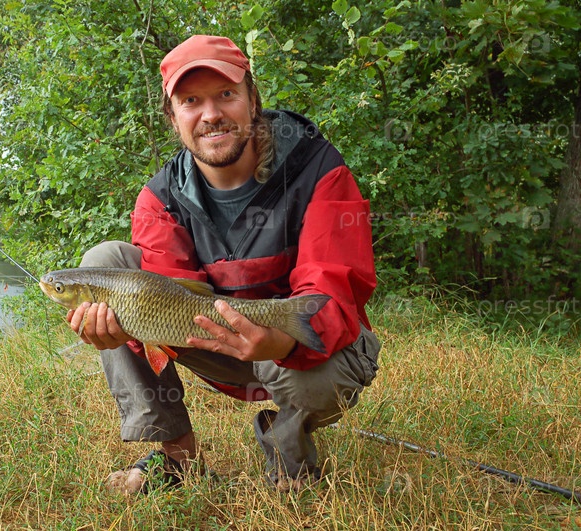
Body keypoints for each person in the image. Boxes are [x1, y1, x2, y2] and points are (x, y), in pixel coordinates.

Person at [65, 34, 381, 493]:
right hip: (211, 339)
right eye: (191, 101)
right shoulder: (160, 197)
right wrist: (126, 329)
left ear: (253, 99)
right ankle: (175, 458)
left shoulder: (317, 169)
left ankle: (289, 452)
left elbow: (332, 290)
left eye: (226, 94)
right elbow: (167, 297)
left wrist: (278, 341)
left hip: (301, 350)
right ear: (173, 117)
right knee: (105, 264)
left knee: (319, 369)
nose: (211, 114)